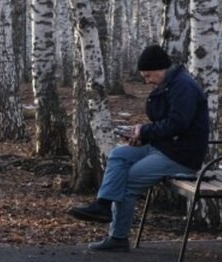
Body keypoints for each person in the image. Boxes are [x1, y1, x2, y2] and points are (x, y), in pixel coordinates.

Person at [68, 44, 209, 251]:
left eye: (148, 75)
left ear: (160, 69)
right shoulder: (169, 84)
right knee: (119, 154)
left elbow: (178, 124)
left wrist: (144, 132)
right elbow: (164, 123)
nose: (146, 81)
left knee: (128, 180)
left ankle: (118, 238)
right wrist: (141, 136)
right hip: (165, 146)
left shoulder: (183, 87)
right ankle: (103, 204)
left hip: (181, 155)